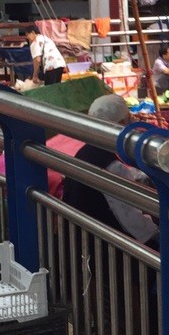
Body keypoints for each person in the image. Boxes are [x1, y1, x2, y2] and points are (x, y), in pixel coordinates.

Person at [61, 95, 158, 246]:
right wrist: (160, 235)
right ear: (120, 124)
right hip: (103, 248)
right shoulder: (111, 167)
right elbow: (133, 223)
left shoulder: (83, 153)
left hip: (81, 239)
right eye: (127, 121)